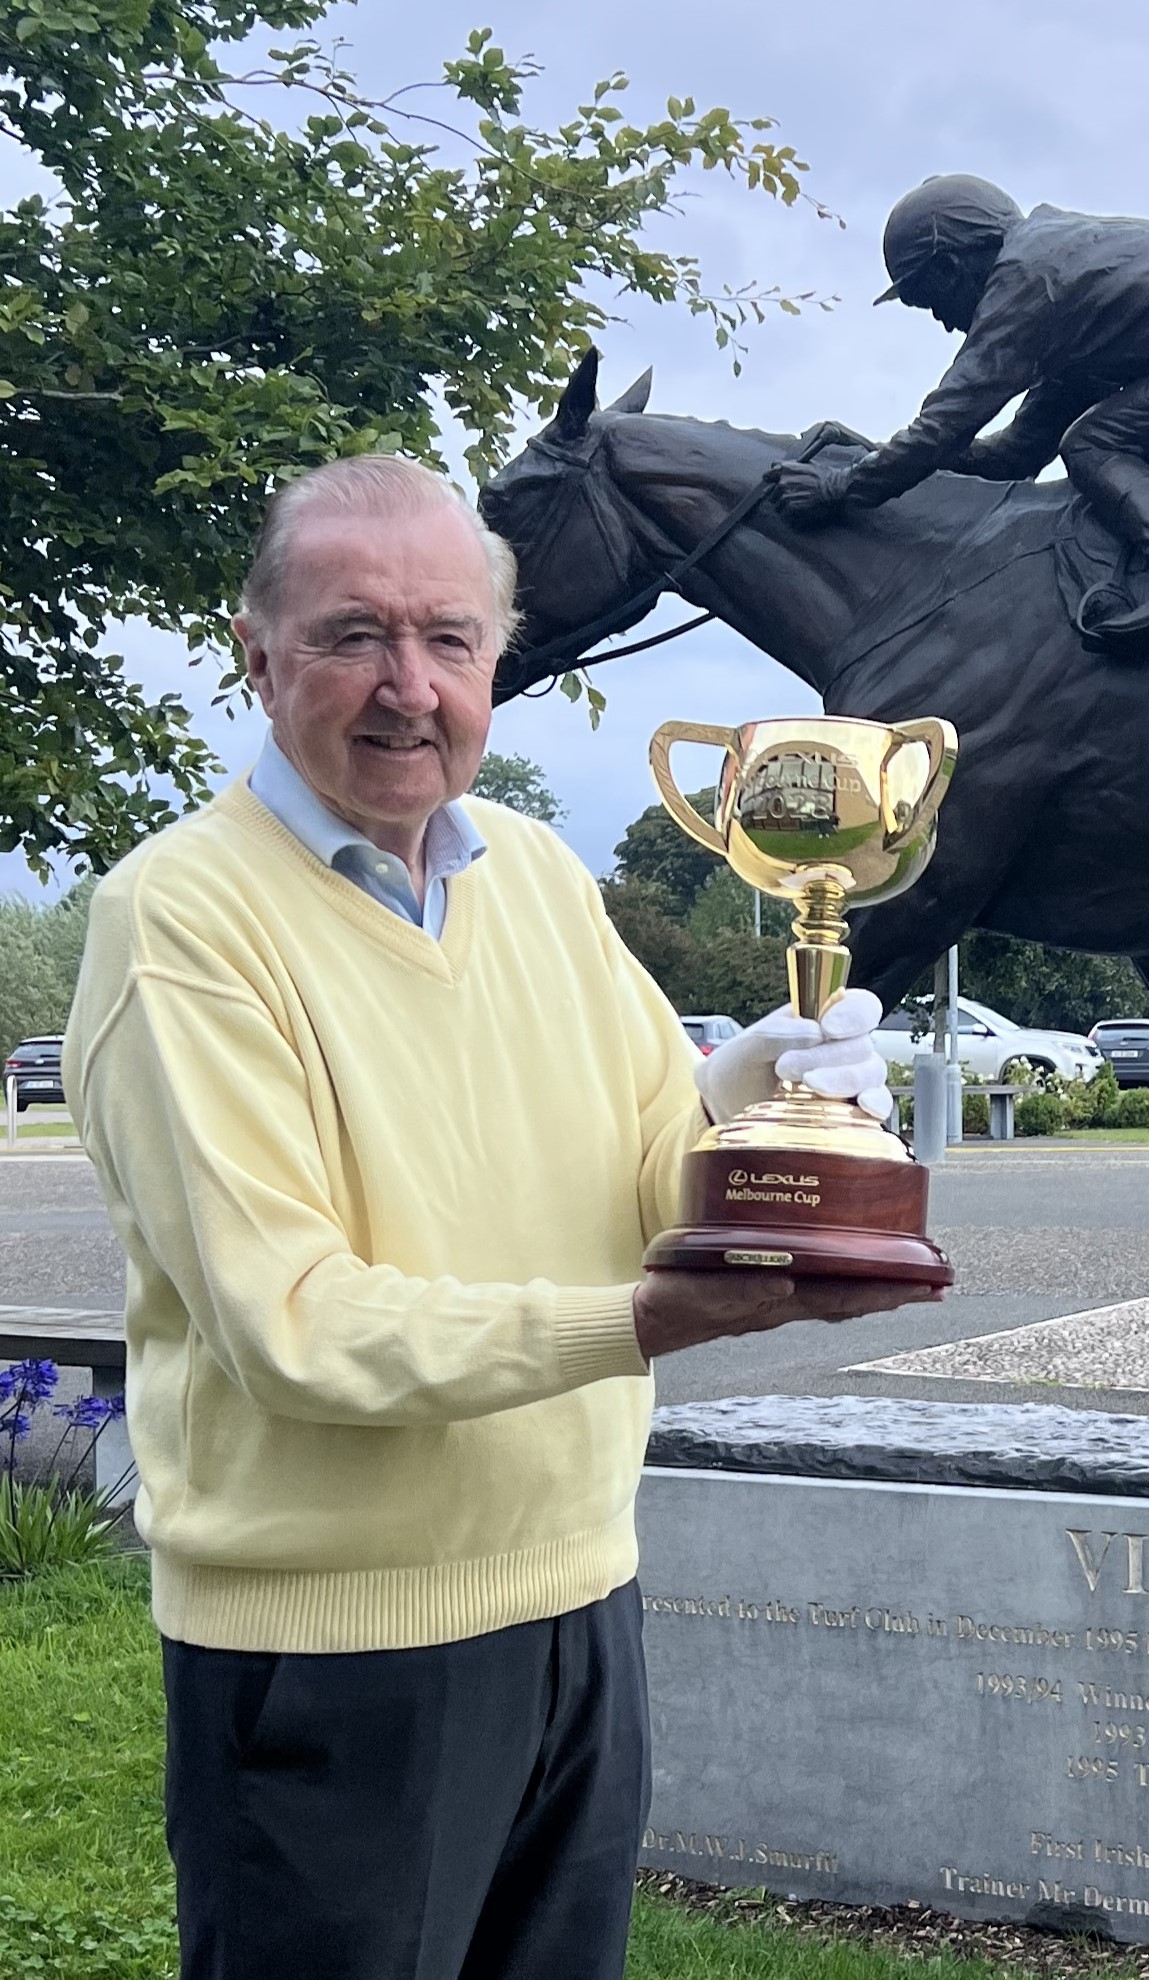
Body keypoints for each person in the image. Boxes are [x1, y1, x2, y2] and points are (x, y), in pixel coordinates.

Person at [62, 454, 938, 1980]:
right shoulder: (180, 916)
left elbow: (642, 1150)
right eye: (353, 636)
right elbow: (296, 1328)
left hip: (577, 1594)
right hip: (327, 1651)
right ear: (257, 658)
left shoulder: (531, 868)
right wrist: (642, 1321)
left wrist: (758, 1095)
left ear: (495, 660)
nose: (410, 687)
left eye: (450, 639)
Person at [767, 172, 1149, 653]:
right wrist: (876, 456)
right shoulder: (1079, 295)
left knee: (1095, 444)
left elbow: (943, 427)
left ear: (951, 266)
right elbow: (1013, 457)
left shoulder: (1027, 279)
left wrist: (840, 487)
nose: (938, 319)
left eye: (927, 299)